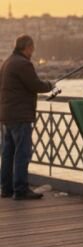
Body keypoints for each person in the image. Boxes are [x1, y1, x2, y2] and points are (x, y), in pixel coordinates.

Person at [0, 35, 53, 200]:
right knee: (22, 152)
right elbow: (35, 85)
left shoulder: (7, 62)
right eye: (32, 48)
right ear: (27, 47)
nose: (33, 51)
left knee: (8, 152)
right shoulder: (23, 64)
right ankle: (21, 189)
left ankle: (6, 188)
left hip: (7, 114)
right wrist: (50, 86)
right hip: (21, 115)